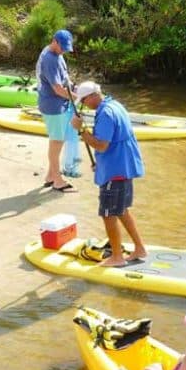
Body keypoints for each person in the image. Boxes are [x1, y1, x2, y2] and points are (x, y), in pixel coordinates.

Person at [71, 80, 147, 267]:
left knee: (108, 213)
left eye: (84, 101)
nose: (84, 105)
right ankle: (139, 248)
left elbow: (102, 145)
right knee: (121, 210)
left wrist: (81, 129)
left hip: (116, 171)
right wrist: (102, 164)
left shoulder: (105, 113)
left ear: (93, 96)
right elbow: (112, 142)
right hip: (122, 166)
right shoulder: (115, 105)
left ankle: (117, 257)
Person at [36, 29, 76, 192]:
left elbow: (64, 78)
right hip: (53, 105)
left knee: (58, 140)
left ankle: (50, 176)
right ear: (54, 41)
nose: (64, 51)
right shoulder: (49, 59)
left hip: (58, 104)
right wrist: (75, 98)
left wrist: (74, 89)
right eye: (62, 47)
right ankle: (57, 180)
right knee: (57, 141)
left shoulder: (56, 54)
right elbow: (58, 89)